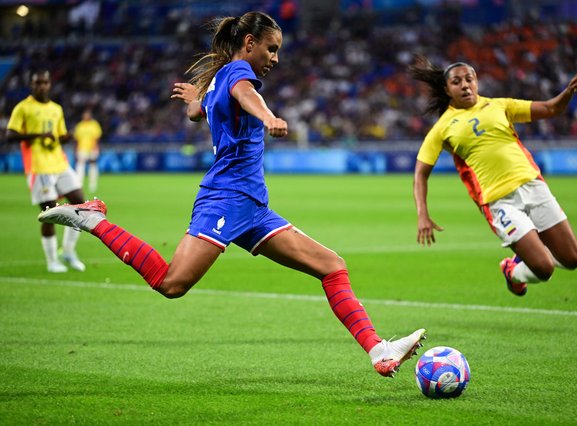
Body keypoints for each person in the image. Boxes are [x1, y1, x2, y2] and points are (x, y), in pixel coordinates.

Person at [39, 12, 425, 377]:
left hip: (253, 207)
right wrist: (268, 116)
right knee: (172, 284)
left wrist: (196, 98)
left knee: (332, 266)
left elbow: (198, 112)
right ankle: (95, 219)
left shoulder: (219, 80)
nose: (275, 58)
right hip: (226, 198)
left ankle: (379, 351)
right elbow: (246, 95)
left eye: (278, 51)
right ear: (249, 41)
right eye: (271, 49)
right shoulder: (238, 73)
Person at [409, 56, 577, 296]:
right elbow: (420, 173)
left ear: (477, 82)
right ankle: (512, 271)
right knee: (544, 268)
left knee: (573, 259)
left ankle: (524, 254)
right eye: (457, 82)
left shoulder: (500, 105)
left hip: (533, 186)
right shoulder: (442, 127)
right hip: (499, 201)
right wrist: (423, 215)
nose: (465, 85)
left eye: (469, 79)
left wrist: (568, 92)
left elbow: (551, 108)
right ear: (447, 89)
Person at [6, 69, 87, 273]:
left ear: (50, 84)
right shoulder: (23, 108)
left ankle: (68, 251)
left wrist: (66, 137)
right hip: (38, 166)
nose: (41, 86)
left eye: (44, 83)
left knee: (82, 204)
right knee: (50, 212)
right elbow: (10, 134)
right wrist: (37, 135)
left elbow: (57, 136)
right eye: (37, 83)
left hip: (59, 162)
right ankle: (52, 261)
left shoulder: (56, 108)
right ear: (32, 85)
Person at [74, 109, 102, 193]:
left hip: (92, 148)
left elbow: (96, 138)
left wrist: (96, 147)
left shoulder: (94, 124)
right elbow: (77, 139)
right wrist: (76, 149)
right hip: (82, 148)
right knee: (80, 165)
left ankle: (92, 184)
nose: (86, 116)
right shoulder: (80, 125)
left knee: (93, 165)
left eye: (87, 114)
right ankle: (79, 184)